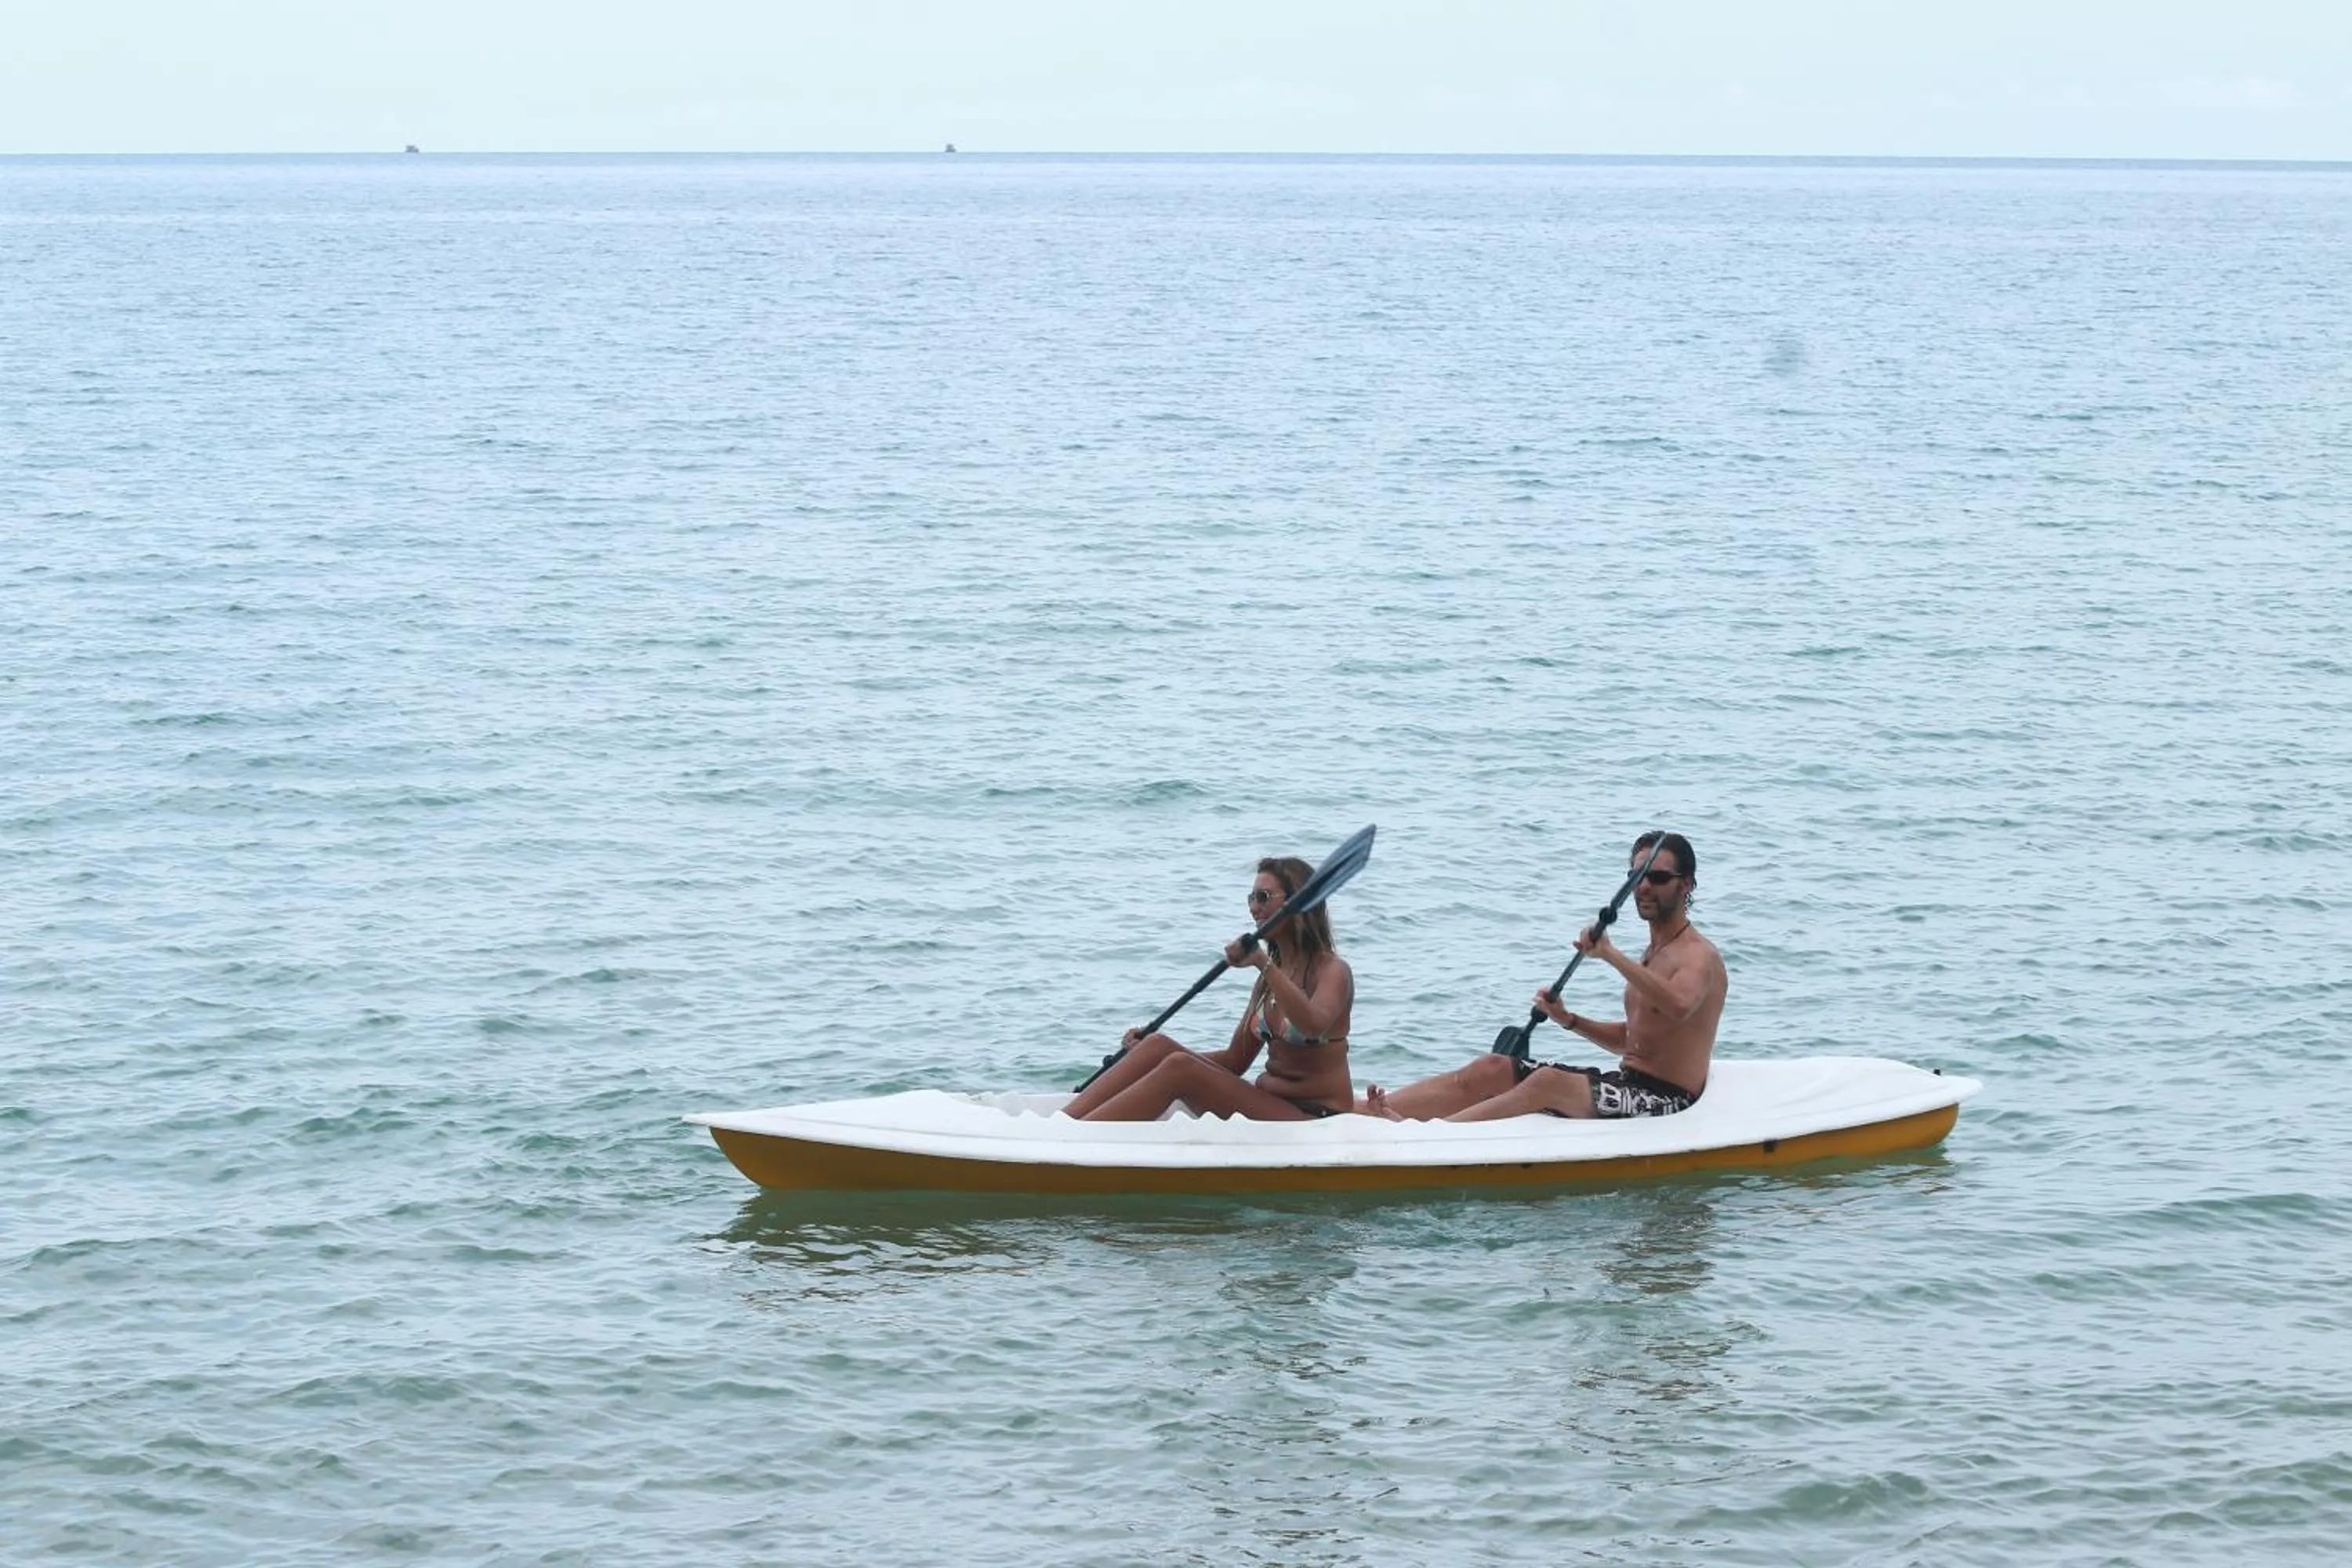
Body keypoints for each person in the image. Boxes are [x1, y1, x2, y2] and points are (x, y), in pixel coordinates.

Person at [1363, 832, 1724, 1121]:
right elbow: (1635, 1038)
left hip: (1666, 1099)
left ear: (1686, 884)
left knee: (1549, 1083)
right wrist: (1569, 1020)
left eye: (1657, 877)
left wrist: (1611, 956)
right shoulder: (1653, 954)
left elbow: (1679, 1006)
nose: (1643, 887)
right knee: (1492, 1068)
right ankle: (1368, 1112)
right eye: (1636, 877)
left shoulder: (1698, 955)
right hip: (1626, 1084)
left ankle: (1428, 1139)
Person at [1062, 856, 1355, 1121]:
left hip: (1315, 1119)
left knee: (1179, 1067)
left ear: (1299, 903)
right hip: (1270, 1102)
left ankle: (1076, 1140)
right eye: (1251, 898)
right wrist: (1147, 1057)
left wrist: (1263, 964)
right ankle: (1060, 1124)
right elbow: (1234, 1061)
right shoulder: (1267, 980)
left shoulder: (1331, 971)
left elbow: (1314, 1025)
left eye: (1263, 897)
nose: (1254, 908)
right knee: (1158, 1046)